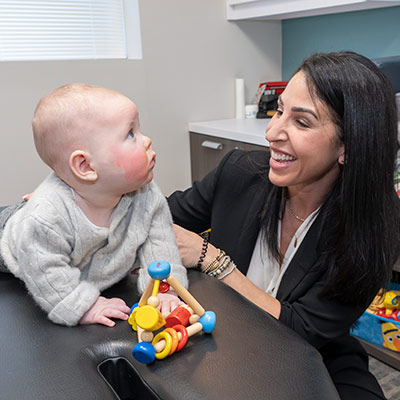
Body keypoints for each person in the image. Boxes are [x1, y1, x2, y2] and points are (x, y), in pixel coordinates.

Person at [168, 51, 400, 400]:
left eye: (302, 122)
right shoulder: (239, 172)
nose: (272, 132)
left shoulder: (376, 224)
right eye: (279, 111)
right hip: (221, 335)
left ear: (348, 147)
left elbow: (301, 330)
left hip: (314, 357)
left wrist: (211, 259)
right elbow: (162, 217)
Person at [0, 83, 187, 327]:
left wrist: (163, 290)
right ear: (86, 167)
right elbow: (45, 270)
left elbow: (160, 242)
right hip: (15, 241)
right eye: (131, 134)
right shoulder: (44, 219)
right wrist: (85, 305)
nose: (147, 140)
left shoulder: (145, 193)